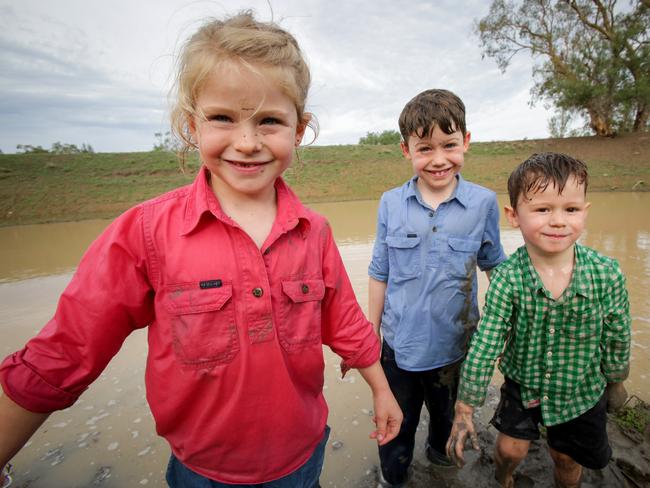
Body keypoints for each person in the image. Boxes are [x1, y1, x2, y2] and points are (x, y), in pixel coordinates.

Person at [0, 11, 402, 488]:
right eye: (222, 118)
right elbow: (65, 353)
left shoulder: (313, 230)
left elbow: (345, 321)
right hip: (201, 470)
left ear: (299, 129)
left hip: (301, 456)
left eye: (270, 120)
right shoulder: (146, 232)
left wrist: (382, 390)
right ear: (192, 125)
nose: (247, 142)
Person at [446, 153, 631, 488]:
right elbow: (487, 344)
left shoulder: (606, 274)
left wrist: (616, 381)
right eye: (543, 209)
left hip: (581, 389)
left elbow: (616, 334)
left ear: (584, 213)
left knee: (566, 458)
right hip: (524, 386)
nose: (558, 221)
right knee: (508, 451)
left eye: (570, 209)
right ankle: (504, 480)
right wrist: (464, 407)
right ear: (514, 216)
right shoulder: (507, 278)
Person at [368, 88, 507, 487]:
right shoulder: (390, 203)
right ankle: (393, 478)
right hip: (398, 350)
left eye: (449, 145)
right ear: (405, 150)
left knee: (446, 432)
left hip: (456, 351)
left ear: (465, 141)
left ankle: (441, 472)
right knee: (396, 430)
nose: (438, 159)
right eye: (424, 148)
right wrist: (370, 336)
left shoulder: (483, 203)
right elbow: (379, 272)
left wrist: (506, 330)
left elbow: (494, 268)